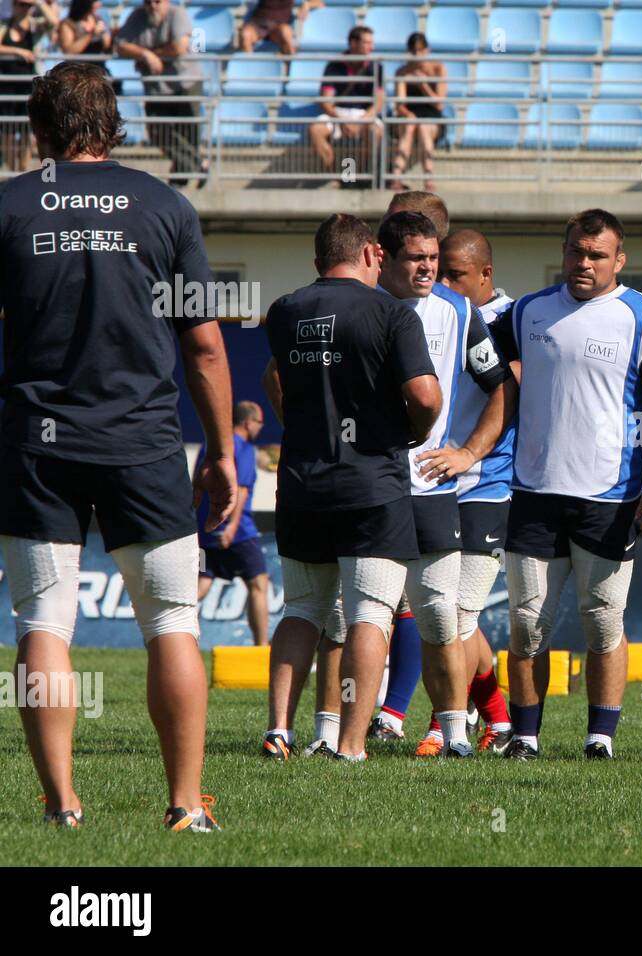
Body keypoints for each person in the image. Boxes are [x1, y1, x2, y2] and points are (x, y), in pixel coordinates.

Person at [0, 62, 235, 830]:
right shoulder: (165, 206)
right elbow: (203, 345)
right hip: (143, 439)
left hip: (37, 441)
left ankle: (63, 805)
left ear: (38, 126)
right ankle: (185, 805)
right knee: (172, 620)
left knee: (43, 619)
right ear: (115, 122)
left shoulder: (9, 206)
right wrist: (223, 450)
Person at [490, 209, 642, 761]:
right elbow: (483, 374)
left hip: (611, 497)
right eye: (577, 251)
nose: (584, 263)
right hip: (533, 493)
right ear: (564, 252)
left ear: (618, 261)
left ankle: (599, 737)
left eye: (597, 255)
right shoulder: (527, 311)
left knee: (602, 622)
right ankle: (525, 737)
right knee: (528, 623)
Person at [260, 213, 440, 763]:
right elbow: (426, 395)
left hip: (301, 483)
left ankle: (278, 732)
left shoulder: (285, 310)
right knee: (370, 613)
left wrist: (300, 424)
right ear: (369, 253)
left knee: (302, 609)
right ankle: (351, 745)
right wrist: (415, 431)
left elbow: (275, 380)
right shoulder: (392, 312)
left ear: (319, 261)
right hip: (372, 484)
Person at [352, 212, 509, 761]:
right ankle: (342, 737)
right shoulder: (358, 302)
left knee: (441, 616)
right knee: (366, 612)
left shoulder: (459, 311)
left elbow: (502, 391)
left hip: (433, 489)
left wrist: (469, 452)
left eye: (433, 258)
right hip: (370, 487)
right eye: (416, 258)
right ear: (384, 257)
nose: (427, 269)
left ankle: (454, 733)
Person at [196, 401, 270, 647]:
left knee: (203, 582)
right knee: (258, 583)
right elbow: (241, 490)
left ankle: (167, 631)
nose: (261, 428)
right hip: (238, 532)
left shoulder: (211, 443)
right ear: (249, 422)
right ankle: (261, 649)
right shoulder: (245, 448)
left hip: (205, 530)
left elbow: (198, 482)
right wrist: (231, 527)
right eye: (260, 422)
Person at [115, 0, 208, 186]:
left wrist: (153, 54)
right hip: (156, 87)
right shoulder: (137, 16)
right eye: (148, 2)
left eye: (157, 1)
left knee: (187, 134)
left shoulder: (177, 14)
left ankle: (179, 181)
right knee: (158, 132)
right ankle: (200, 165)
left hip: (185, 83)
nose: (153, 6)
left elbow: (179, 47)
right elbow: (120, 45)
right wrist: (145, 55)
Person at [309, 25, 384, 185]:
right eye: (366, 42)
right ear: (353, 43)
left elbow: (379, 102)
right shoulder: (334, 65)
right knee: (316, 129)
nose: (371, 47)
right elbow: (326, 101)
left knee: (375, 132)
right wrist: (341, 120)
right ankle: (333, 177)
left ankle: (358, 176)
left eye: (372, 42)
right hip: (337, 113)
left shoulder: (377, 67)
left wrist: (361, 121)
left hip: (364, 114)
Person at [0, 0, 57, 172]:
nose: (23, 8)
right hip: (7, 85)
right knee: (7, 131)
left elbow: (55, 22)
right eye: (20, 4)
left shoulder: (35, 27)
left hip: (29, 85)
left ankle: (23, 169)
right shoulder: (4, 25)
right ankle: (11, 170)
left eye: (27, 5)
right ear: (13, 5)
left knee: (27, 129)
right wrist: (19, 52)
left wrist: (39, 3)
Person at [391, 32, 446, 193]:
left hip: (431, 117)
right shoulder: (402, 72)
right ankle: (396, 177)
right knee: (410, 125)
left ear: (427, 50)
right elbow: (399, 105)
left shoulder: (438, 69)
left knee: (423, 126)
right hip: (410, 116)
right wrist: (408, 114)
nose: (417, 55)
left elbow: (439, 105)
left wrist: (423, 85)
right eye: (413, 51)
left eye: (421, 50)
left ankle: (428, 177)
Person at [239, 0, 320, 56]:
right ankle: (250, 72)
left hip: (279, 28)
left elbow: (319, 2)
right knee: (245, 34)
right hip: (258, 25)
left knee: (286, 33)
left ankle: (290, 75)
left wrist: (307, 4)